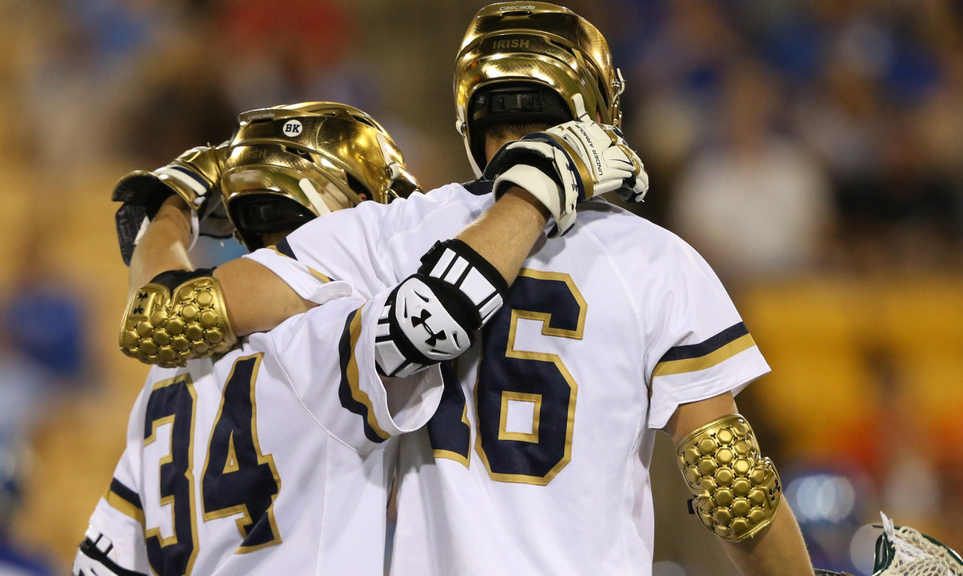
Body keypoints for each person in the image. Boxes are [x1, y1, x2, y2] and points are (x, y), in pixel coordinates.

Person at [110, 3, 812, 575]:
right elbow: (731, 487)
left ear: (470, 109)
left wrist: (171, 205)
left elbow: (164, 320)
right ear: (595, 103)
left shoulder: (379, 233)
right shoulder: (659, 258)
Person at [75, 95, 636, 575]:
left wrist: (169, 207)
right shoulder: (317, 338)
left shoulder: (162, 384)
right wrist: (537, 189)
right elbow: (438, 315)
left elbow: (101, 564)